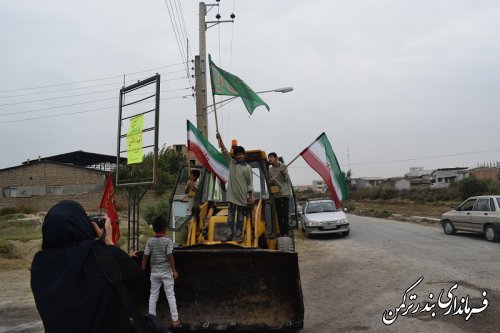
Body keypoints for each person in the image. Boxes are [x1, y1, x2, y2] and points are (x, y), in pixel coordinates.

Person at [31, 200, 145, 333]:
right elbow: (140, 282)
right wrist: (108, 241)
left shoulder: (40, 265)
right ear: (82, 225)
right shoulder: (105, 255)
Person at [142, 216, 181, 328]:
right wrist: (174, 270)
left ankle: (151, 320)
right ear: (165, 229)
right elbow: (170, 256)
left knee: (153, 295)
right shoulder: (168, 241)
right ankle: (175, 320)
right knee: (170, 295)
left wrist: (142, 269)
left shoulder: (150, 241)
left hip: (154, 273)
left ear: (154, 229)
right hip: (166, 273)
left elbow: (145, 256)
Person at [216, 131, 254, 242]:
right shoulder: (231, 163)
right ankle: (229, 235)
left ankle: (238, 235)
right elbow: (224, 151)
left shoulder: (247, 168)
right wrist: (220, 139)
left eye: (240, 154)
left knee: (241, 218)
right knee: (231, 217)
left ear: (244, 155)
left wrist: (250, 196)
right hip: (232, 197)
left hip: (242, 196)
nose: (238, 156)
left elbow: (250, 183)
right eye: (237, 155)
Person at [268, 152, 293, 237]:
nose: (269, 159)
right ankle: (282, 232)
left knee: (285, 214)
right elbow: (270, 184)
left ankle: (287, 231)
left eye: (271, 157)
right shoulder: (270, 170)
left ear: (276, 158)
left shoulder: (283, 166)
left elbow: (287, 180)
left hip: (285, 193)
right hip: (277, 194)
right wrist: (270, 182)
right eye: (269, 158)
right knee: (279, 214)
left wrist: (283, 174)